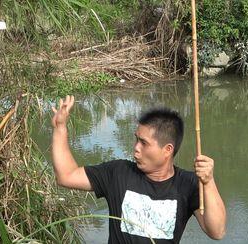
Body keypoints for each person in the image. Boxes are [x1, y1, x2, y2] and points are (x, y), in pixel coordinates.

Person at [50, 96, 226, 243]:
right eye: (136, 140)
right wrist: (60, 128)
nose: (135, 148)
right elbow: (66, 175)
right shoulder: (118, 173)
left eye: (144, 143)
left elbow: (216, 232)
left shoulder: (187, 184)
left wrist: (208, 182)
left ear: (167, 150)